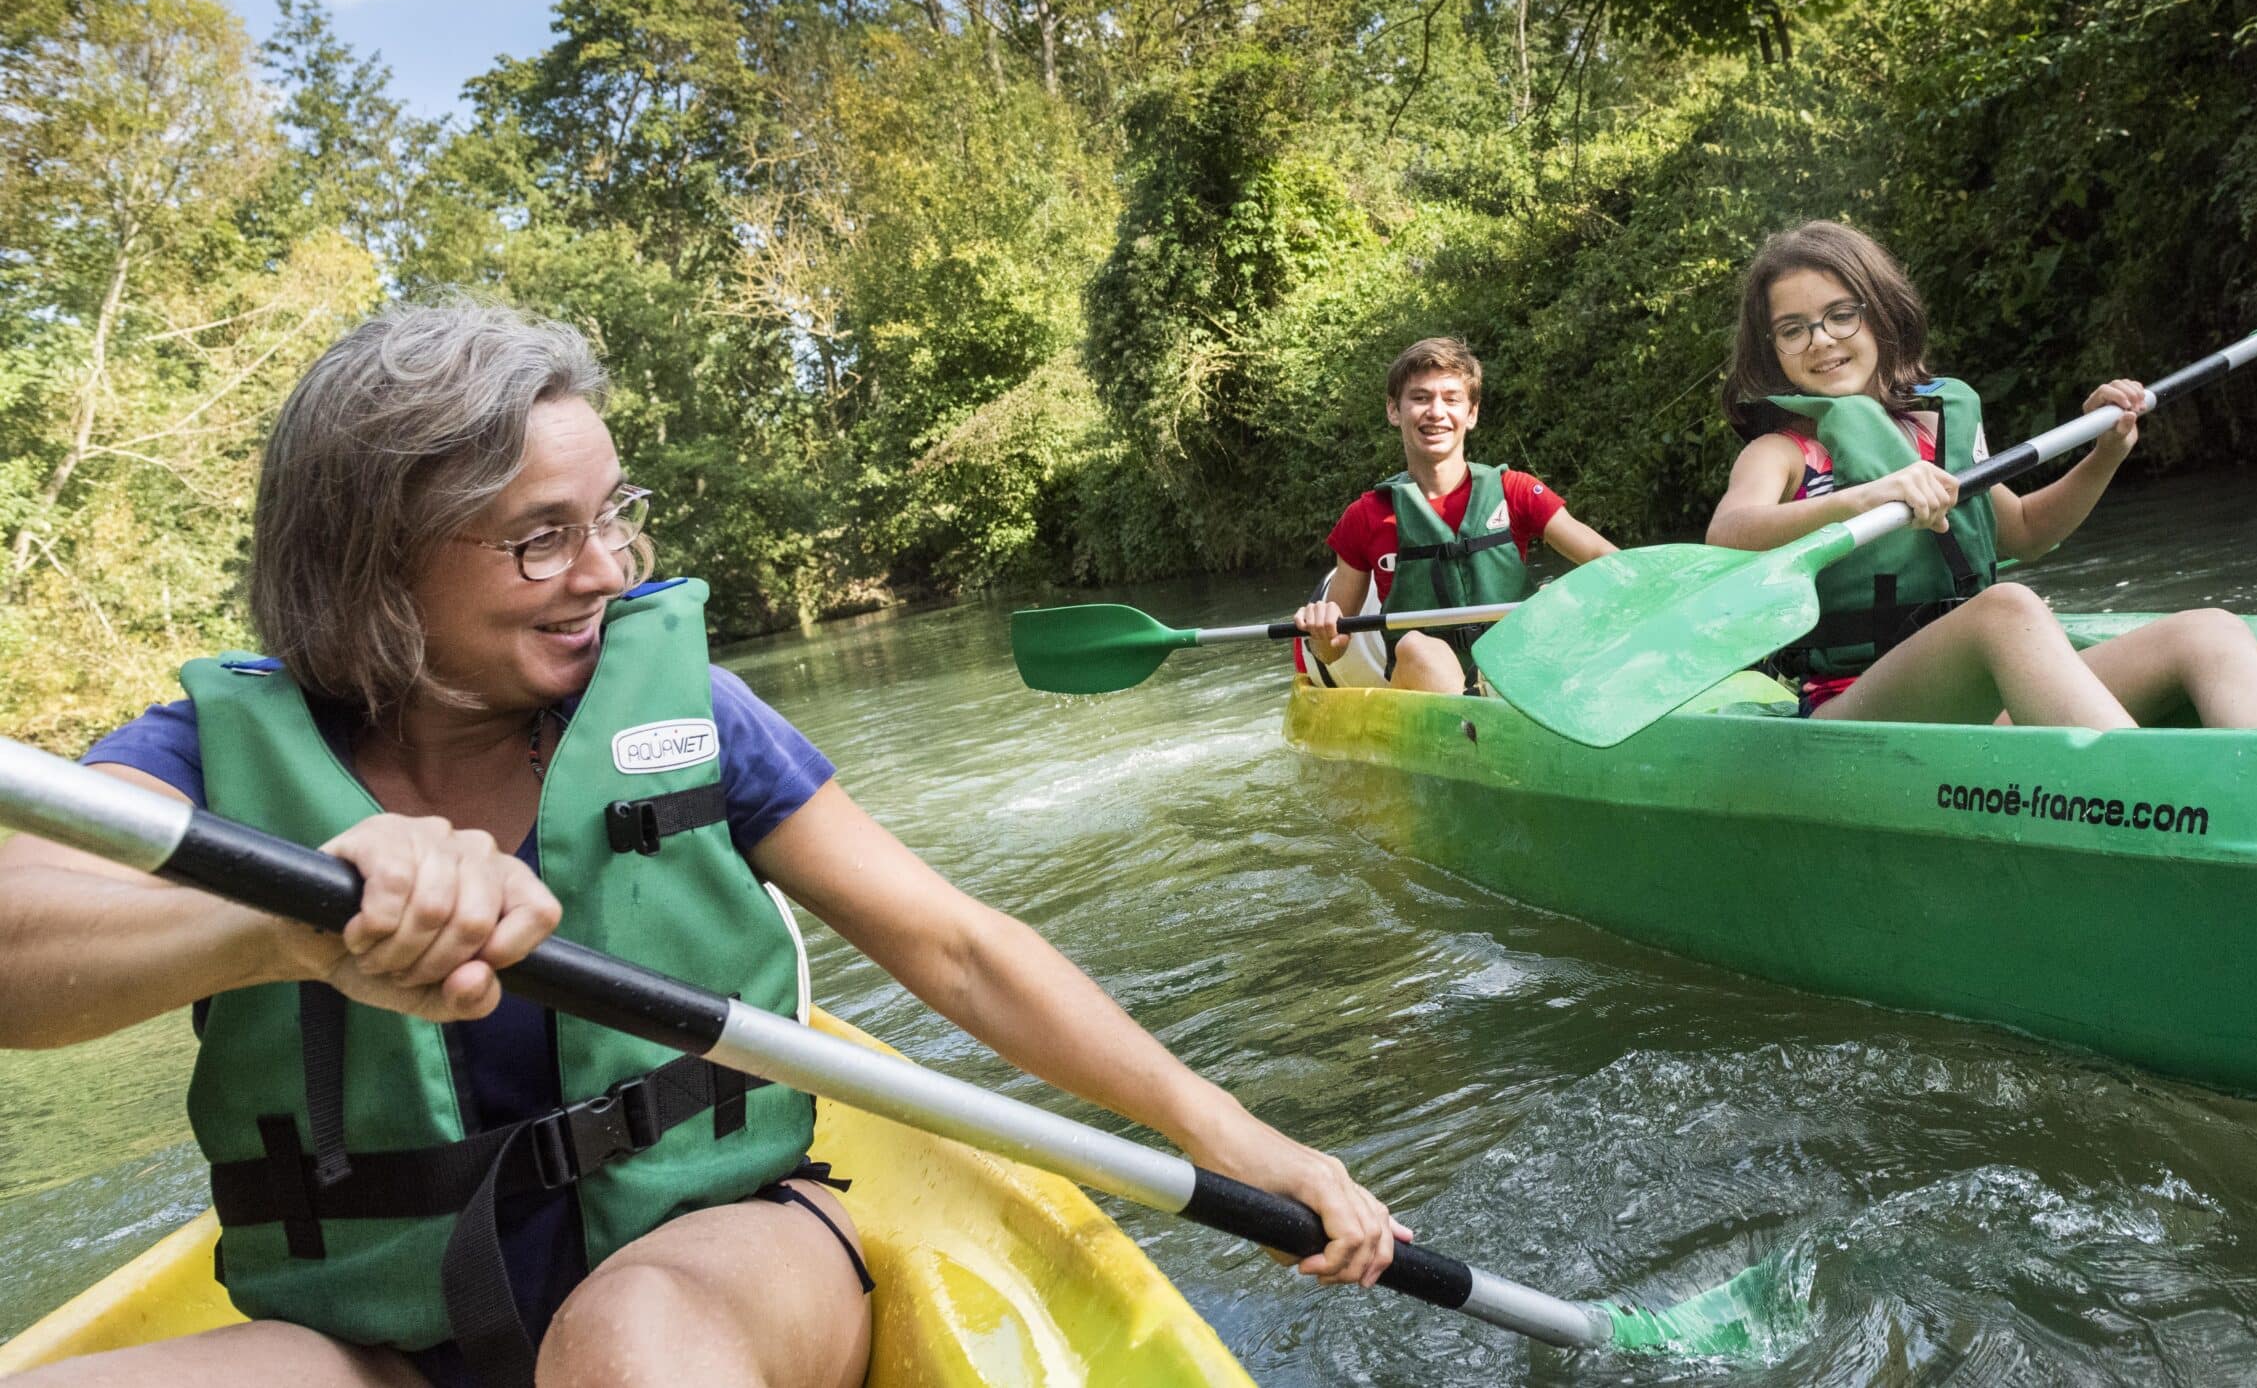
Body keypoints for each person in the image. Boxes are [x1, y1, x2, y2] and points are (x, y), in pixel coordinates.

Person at [0, 303, 1405, 1388]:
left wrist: (1237, 1139)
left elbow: (958, 949)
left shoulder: (692, 718)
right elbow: (15, 933)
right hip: (376, 1341)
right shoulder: (203, 763)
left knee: (631, 1344)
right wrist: (275, 927)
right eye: (540, 540)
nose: (606, 570)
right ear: (374, 562)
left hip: (715, 1253)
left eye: (609, 516)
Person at [1705, 221, 2257, 729]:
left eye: (1841, 315)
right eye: (1794, 329)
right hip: (1852, 707)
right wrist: (1864, 498)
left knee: (2208, 632)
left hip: (1969, 698)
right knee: (2005, 610)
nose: (1821, 340)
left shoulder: (1929, 433)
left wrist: (2106, 453)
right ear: (1772, 350)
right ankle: (2152, 797)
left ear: (1882, 316)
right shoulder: (1782, 452)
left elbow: (2026, 530)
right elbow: (1727, 535)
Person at [1295, 336, 1616, 694]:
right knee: (1419, 648)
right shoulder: (1365, 516)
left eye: (1451, 399)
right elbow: (1332, 650)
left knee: (1554, 599)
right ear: (1393, 410)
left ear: (1472, 413)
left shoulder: (1516, 491)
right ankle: (1476, 715)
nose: (1436, 411)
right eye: (1420, 398)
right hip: (1423, 684)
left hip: (1515, 673)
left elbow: (1606, 560)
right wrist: (1321, 631)